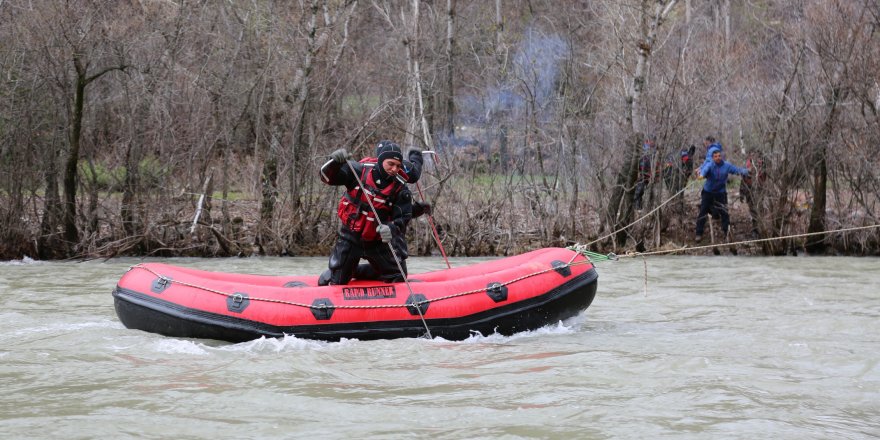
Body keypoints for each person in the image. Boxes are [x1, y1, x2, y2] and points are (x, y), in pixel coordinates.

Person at [317, 141, 413, 285]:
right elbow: (327, 178)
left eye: (398, 166)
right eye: (390, 164)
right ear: (381, 161)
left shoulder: (401, 188)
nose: (394, 169)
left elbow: (403, 218)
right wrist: (334, 163)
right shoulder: (358, 170)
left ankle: (358, 271)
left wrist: (391, 228)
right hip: (350, 238)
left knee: (399, 277)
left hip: (377, 241)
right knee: (336, 280)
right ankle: (340, 272)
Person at [695, 149, 749, 243]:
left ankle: (726, 233)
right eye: (715, 156)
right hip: (708, 192)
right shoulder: (710, 165)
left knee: (724, 213)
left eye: (719, 156)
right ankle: (698, 233)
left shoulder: (727, 165)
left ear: (721, 156)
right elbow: (704, 171)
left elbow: (736, 170)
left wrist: (747, 171)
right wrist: (701, 176)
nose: (718, 158)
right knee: (703, 211)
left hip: (721, 193)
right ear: (712, 158)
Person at [633, 135, 657, 211]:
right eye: (653, 141)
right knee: (638, 192)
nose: (654, 143)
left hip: (648, 174)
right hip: (643, 174)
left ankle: (641, 208)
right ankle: (637, 208)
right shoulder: (645, 149)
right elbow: (642, 161)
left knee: (643, 192)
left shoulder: (653, 150)